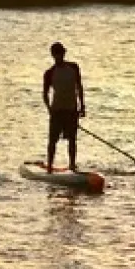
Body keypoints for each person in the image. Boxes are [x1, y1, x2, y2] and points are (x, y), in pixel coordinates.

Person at [43, 41, 86, 173]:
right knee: (53, 141)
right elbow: (45, 94)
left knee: (72, 140)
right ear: (53, 55)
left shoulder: (74, 68)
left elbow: (79, 87)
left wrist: (82, 106)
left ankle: (72, 165)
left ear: (64, 53)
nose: (59, 56)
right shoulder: (49, 73)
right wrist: (50, 110)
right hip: (57, 111)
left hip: (71, 110)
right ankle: (49, 166)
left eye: (61, 53)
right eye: (57, 54)